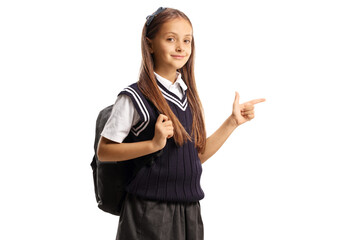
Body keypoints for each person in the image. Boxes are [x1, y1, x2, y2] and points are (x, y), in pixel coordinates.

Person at [97, 7, 265, 240]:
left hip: (189, 210)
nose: (181, 47)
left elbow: (194, 157)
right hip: (149, 211)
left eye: (187, 40)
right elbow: (104, 151)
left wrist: (232, 122)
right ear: (150, 45)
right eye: (170, 39)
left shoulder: (188, 97)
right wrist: (153, 144)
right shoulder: (134, 97)